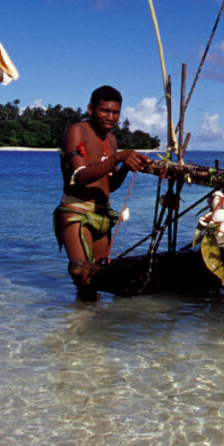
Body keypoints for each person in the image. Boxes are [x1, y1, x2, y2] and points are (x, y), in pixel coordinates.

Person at [54, 86, 149, 299]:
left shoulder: (112, 139)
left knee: (99, 279)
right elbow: (80, 176)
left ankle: (95, 328)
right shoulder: (77, 131)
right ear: (90, 108)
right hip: (76, 212)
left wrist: (126, 165)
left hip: (102, 215)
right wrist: (118, 158)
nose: (110, 117)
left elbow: (111, 185)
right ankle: (78, 328)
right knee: (84, 278)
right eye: (105, 111)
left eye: (115, 112)